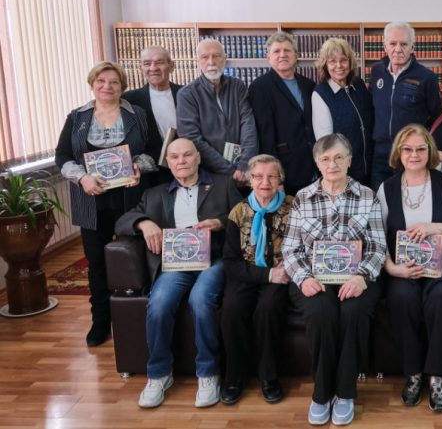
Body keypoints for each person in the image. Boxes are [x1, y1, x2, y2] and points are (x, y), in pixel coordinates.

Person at [115, 138, 242, 408]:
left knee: (200, 299)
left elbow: (245, 216)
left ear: (198, 158)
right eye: (174, 157)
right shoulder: (154, 194)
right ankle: (159, 374)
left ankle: (208, 373)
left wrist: (220, 223)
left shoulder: (223, 184)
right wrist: (144, 222)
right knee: (159, 302)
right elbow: (122, 221)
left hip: (214, 260)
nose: (181, 161)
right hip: (176, 265)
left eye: (187, 155)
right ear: (168, 162)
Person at [281, 134, 386, 426]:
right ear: (317, 163)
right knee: (321, 312)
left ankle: (345, 392)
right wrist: (303, 279)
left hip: (358, 275)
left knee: (354, 311)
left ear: (350, 160)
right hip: (313, 277)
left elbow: (377, 246)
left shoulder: (368, 195)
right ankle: (322, 393)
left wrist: (362, 277)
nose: (333, 164)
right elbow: (290, 249)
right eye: (326, 159)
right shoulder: (302, 197)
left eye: (339, 157)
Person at [55, 61, 154, 347]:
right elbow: (62, 157)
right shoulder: (77, 117)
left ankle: (136, 318)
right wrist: (82, 177)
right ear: (92, 84)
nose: (107, 86)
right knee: (97, 264)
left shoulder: (138, 115)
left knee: (135, 260)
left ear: (122, 86)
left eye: (113, 82)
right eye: (101, 81)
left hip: (130, 201)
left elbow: (152, 150)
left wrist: (139, 165)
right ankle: (100, 321)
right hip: (91, 202)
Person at [377, 124, 442, 413]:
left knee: (440, 298)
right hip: (402, 266)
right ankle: (413, 373)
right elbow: (376, 237)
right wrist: (392, 268)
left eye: (421, 149)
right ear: (398, 153)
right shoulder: (387, 188)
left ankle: (436, 376)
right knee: (402, 298)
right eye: (407, 149)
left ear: (430, 151)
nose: (414, 154)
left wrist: (436, 228)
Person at [220, 154, 292, 405]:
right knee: (232, 308)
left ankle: (268, 376)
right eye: (258, 177)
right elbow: (230, 262)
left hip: (282, 275)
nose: (265, 182)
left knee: (268, 308)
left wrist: (284, 270)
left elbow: (306, 246)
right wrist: (266, 274)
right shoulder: (238, 212)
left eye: (272, 176)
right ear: (249, 180)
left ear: (280, 180)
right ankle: (234, 376)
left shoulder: (293, 207)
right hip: (247, 274)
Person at [369, 22, 442, 189]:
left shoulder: (426, 77)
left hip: (411, 154)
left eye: (403, 44)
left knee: (407, 200)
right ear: (385, 46)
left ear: (412, 47)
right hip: (380, 154)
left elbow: (437, 117)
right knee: (379, 199)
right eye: (393, 43)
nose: (398, 49)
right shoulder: (377, 72)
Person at [176, 38, 258, 183]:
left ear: (225, 59)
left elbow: (248, 125)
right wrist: (229, 171)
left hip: (244, 171)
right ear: (198, 61)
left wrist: (244, 165)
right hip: (210, 175)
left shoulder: (237, 86)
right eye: (205, 57)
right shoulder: (187, 94)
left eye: (216, 56)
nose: (211, 62)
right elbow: (192, 139)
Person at [249, 32, 316, 195]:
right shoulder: (260, 87)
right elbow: (265, 134)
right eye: (276, 51)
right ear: (268, 57)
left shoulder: (308, 85)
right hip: (285, 170)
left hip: (312, 166)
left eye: (287, 50)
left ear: (296, 55)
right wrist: (275, 177)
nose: (282, 55)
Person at [312, 37, 373, 185]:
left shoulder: (359, 85)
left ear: (350, 62)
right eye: (332, 61)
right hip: (344, 174)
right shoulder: (321, 93)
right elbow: (326, 143)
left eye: (343, 60)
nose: (339, 65)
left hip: (370, 167)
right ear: (325, 65)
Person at [122, 46, 182, 185]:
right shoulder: (128, 100)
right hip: (149, 178)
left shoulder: (187, 94)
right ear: (141, 69)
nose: (153, 68)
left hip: (187, 169)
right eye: (147, 63)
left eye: (159, 62)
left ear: (171, 66)